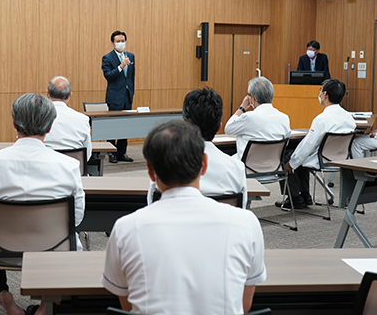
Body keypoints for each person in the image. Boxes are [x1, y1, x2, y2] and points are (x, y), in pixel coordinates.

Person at [102, 120, 266, 315]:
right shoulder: (246, 224)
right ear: (204, 165)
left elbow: (128, 305)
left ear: (150, 171)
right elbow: (243, 306)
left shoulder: (125, 228)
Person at [0, 93, 85, 315]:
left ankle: (4, 297)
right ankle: (46, 303)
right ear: (50, 127)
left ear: (14, 123)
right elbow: (76, 219)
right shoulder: (70, 166)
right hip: (54, 249)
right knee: (71, 238)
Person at [148, 87, 247, 208]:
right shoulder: (236, 168)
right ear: (218, 128)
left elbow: (152, 205)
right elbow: (241, 207)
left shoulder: (164, 166)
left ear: (184, 124)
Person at [279, 79, 356, 210]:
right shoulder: (349, 118)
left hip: (321, 159)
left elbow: (308, 145)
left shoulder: (321, 119)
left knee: (286, 158)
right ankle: (305, 196)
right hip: (340, 159)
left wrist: (292, 164)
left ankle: (295, 198)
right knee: (299, 159)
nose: (319, 94)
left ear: (325, 95)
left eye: (321, 91)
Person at [225, 76, 291, 160]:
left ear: (252, 98)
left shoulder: (249, 117)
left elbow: (228, 129)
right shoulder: (284, 118)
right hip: (273, 167)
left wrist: (242, 107)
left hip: (248, 168)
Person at [101, 30, 135, 163]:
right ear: (113, 43)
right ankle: (111, 153)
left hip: (127, 95)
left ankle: (122, 152)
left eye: (123, 41)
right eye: (118, 41)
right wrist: (120, 67)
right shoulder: (107, 58)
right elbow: (108, 75)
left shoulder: (130, 56)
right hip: (114, 96)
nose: (121, 43)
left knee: (125, 125)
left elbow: (131, 77)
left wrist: (131, 91)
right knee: (113, 125)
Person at [44, 76, 92, 161]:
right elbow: (87, 155)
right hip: (74, 171)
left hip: (44, 171)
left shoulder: (36, 118)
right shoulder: (83, 119)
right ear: (70, 95)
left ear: (47, 94)